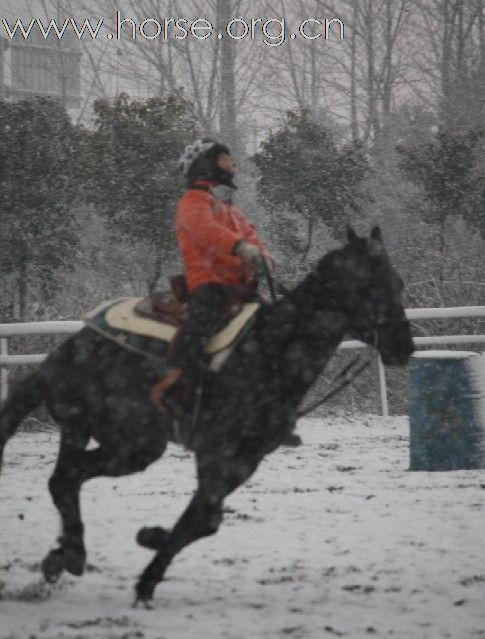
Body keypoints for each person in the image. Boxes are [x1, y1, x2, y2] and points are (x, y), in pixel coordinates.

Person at [150, 138, 272, 410]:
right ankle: (172, 379)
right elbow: (206, 231)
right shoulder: (192, 202)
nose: (231, 165)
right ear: (206, 165)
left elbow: (250, 235)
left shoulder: (230, 209)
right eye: (224, 159)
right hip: (209, 285)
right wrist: (240, 247)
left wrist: (264, 256)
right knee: (200, 323)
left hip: (240, 289)